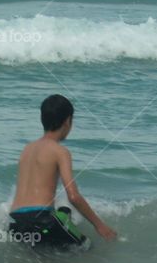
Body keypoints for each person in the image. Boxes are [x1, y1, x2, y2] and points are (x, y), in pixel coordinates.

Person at [8, 94, 117, 249]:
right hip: (43, 221)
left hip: (16, 224)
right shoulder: (60, 151)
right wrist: (100, 226)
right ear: (67, 121)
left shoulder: (27, 150)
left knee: (45, 256)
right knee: (89, 249)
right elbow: (73, 196)